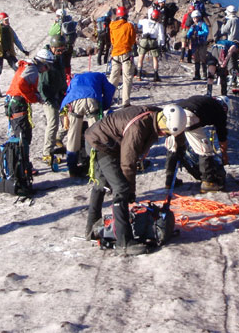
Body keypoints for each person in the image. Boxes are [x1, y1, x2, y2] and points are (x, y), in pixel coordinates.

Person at [84, 104, 187, 255]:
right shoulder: (138, 128)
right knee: (121, 188)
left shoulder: (160, 116)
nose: (163, 135)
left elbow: (177, 131)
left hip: (107, 140)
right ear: (164, 123)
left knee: (103, 184)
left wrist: (180, 148)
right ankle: (124, 242)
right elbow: (128, 162)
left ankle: (91, 229)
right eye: (165, 132)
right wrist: (130, 191)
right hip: (100, 143)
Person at [164, 95, 230, 193]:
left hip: (172, 115)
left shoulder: (205, 101)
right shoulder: (219, 109)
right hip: (189, 115)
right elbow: (222, 136)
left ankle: (169, 180)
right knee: (205, 149)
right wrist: (224, 156)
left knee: (175, 147)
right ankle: (208, 182)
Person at [59, 71, 116, 177]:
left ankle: (72, 168)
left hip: (73, 101)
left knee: (73, 134)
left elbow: (69, 91)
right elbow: (110, 90)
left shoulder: (76, 78)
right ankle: (96, 164)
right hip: (91, 98)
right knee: (95, 133)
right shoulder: (100, 76)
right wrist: (105, 105)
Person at [4, 48, 55, 162]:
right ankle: (23, 166)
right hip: (17, 104)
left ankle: (12, 161)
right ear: (42, 62)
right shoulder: (32, 69)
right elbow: (21, 85)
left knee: (20, 133)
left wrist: (35, 95)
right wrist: (33, 98)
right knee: (24, 136)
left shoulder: (28, 66)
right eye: (47, 66)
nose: (46, 70)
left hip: (12, 102)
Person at [39, 36, 68, 166]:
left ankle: (57, 140)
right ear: (52, 47)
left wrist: (64, 90)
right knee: (53, 123)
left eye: (63, 50)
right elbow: (42, 85)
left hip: (59, 94)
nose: (61, 53)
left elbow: (61, 75)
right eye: (59, 50)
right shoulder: (46, 60)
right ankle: (47, 153)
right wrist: (48, 99)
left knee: (67, 121)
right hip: (49, 97)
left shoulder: (58, 58)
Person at [0, 12, 29, 98]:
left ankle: (19, 87)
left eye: (7, 19)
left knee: (18, 68)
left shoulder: (10, 29)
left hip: (8, 52)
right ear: (1, 20)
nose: (7, 21)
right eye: (6, 20)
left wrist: (23, 50)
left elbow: (16, 40)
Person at [108, 6, 138, 107]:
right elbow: (133, 40)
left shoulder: (112, 25)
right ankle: (126, 102)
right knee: (127, 78)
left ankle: (108, 98)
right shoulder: (129, 26)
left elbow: (112, 40)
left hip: (115, 54)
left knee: (113, 77)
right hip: (126, 53)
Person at [136, 8, 166, 82]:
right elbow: (161, 36)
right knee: (155, 58)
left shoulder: (145, 21)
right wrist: (162, 44)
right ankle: (156, 75)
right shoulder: (159, 25)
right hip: (153, 42)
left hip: (144, 41)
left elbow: (139, 23)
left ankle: (139, 75)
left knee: (141, 58)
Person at [218, 5, 239, 85]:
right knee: (235, 61)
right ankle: (238, 78)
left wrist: (223, 23)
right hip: (238, 43)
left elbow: (223, 31)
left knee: (230, 61)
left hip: (231, 43)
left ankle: (233, 78)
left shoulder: (231, 20)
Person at [49, 9, 76, 80]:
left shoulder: (59, 24)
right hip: (70, 46)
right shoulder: (70, 22)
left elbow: (51, 32)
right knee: (67, 63)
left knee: (60, 64)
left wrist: (55, 24)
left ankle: (63, 78)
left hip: (60, 47)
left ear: (58, 16)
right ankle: (68, 77)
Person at [186, 10, 209, 80]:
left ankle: (205, 74)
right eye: (194, 18)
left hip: (202, 44)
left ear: (199, 17)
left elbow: (206, 32)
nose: (195, 19)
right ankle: (197, 75)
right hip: (195, 44)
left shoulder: (203, 24)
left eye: (196, 18)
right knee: (196, 59)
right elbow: (188, 34)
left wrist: (198, 33)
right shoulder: (193, 26)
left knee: (203, 59)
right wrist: (190, 33)